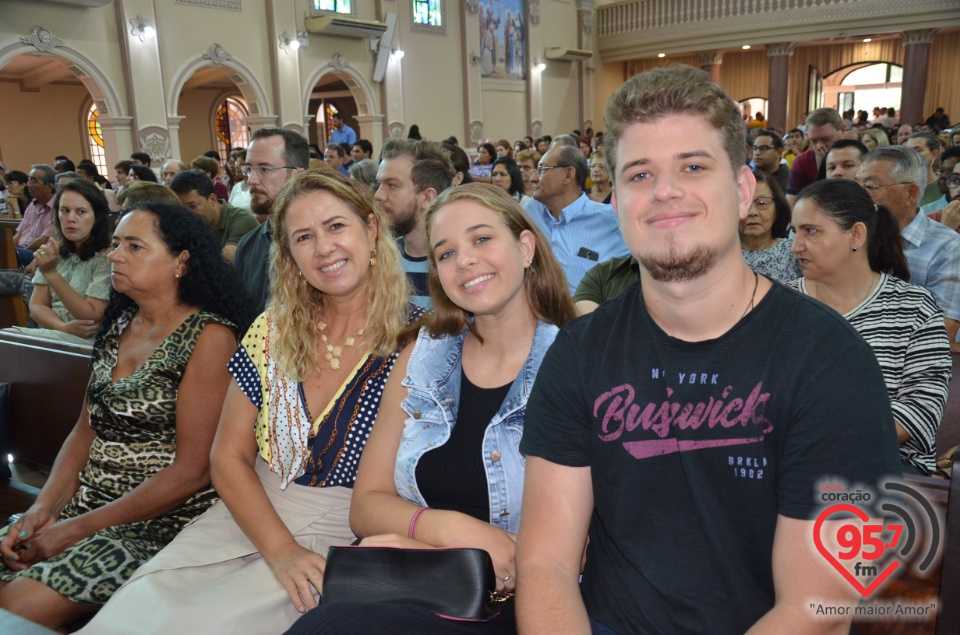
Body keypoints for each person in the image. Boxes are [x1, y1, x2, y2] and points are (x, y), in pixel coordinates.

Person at [515, 65, 900, 635]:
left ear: (744, 190)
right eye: (640, 175)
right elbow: (546, 564)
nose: (665, 191)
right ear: (616, 202)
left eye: (693, 167)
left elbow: (817, 608)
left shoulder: (829, 362)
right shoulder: (580, 352)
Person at [82, 171, 419, 635]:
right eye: (304, 236)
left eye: (336, 226)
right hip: (243, 513)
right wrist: (279, 548)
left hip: (346, 535)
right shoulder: (274, 330)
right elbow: (228, 457)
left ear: (372, 229)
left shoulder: (421, 337)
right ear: (288, 255)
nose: (323, 248)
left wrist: (291, 555)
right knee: (132, 616)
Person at [285, 183, 576, 635]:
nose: (465, 261)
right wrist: (452, 532)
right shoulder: (424, 355)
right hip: (420, 579)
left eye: (482, 239)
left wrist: (424, 536)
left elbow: (583, 542)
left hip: (516, 600)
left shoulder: (577, 361)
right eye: (445, 253)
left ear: (525, 247)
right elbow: (366, 506)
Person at [0, 202, 249, 631]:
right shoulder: (120, 325)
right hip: (87, 506)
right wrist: (44, 508)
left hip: (155, 523)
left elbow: (191, 471)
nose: (115, 255)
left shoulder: (209, 337)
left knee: (15, 608)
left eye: (134, 246)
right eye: (116, 244)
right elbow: (84, 432)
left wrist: (74, 529)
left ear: (181, 262)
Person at [789, 179, 950, 475]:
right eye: (794, 231)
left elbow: (922, 407)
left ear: (856, 234)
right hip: (790, 463)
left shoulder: (913, 307)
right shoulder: (780, 305)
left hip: (886, 466)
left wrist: (826, 440)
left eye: (811, 231)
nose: (796, 246)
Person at [856, 146, 960, 352]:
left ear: (911, 193)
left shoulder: (947, 248)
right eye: (856, 185)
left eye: (870, 187)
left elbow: (939, 334)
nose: (859, 196)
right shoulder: (853, 235)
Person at [11, 180, 112, 344]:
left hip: (88, 340)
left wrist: (51, 273)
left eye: (81, 212)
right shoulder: (53, 250)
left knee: (8, 338)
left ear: (96, 218)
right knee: (7, 337)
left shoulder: (107, 257)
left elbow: (91, 316)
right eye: (64, 211)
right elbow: (36, 306)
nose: (70, 219)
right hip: (54, 331)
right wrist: (62, 327)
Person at [234, 127, 310, 313]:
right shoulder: (248, 245)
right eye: (249, 169)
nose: (251, 180)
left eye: (265, 169)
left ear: (296, 176)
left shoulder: (322, 244)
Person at [740, 170, 801, 284]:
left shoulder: (795, 252)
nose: (752, 212)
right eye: (744, 204)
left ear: (777, 208)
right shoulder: (721, 256)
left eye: (762, 203)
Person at [903, 132, 945, 207]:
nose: (911, 155)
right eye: (908, 151)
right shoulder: (901, 187)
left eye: (918, 150)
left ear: (934, 155)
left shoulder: (943, 187)